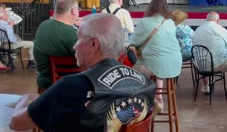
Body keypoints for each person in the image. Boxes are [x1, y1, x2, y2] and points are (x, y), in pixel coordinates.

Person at [9, 13, 156, 132]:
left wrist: (28, 99)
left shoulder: (72, 86)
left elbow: (17, 123)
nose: (74, 46)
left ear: (93, 44)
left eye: (79, 39)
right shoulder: (144, 83)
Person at [128, 0, 182, 111]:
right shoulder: (170, 22)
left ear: (151, 6)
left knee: (132, 70)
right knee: (157, 62)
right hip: (174, 64)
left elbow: (132, 41)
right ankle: (158, 97)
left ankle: (143, 104)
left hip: (156, 64)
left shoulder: (144, 22)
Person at [34, 0, 79, 92]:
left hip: (44, 83)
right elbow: (86, 62)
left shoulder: (43, 25)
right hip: (69, 85)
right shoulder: (72, 34)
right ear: (74, 11)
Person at [192, 12, 227, 97]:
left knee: (200, 58)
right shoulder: (220, 29)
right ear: (218, 20)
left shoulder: (198, 29)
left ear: (206, 20)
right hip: (218, 64)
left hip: (200, 66)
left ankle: (206, 85)